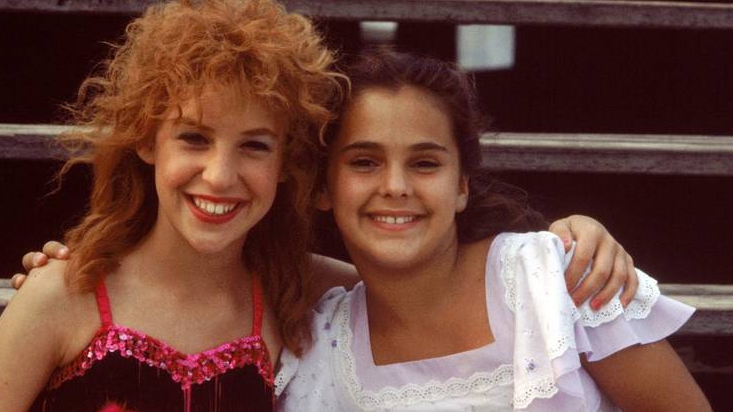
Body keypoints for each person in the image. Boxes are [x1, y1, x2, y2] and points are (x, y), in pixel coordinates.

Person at [0, 0, 346, 410]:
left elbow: (401, 289)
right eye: (194, 138)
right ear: (145, 139)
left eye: (254, 145)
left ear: (286, 161)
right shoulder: (62, 295)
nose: (219, 175)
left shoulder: (289, 291)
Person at [273, 49, 710, 411]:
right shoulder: (325, 349)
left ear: (461, 185)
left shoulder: (551, 280)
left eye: (425, 163)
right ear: (322, 187)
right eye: (364, 162)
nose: (395, 187)